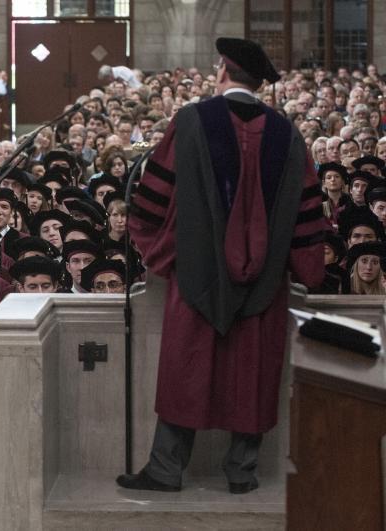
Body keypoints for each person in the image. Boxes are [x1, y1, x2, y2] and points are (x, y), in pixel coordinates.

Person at [118, 38, 326, 494]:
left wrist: (162, 253)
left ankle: (167, 469)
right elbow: (308, 215)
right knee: (252, 373)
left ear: (222, 71)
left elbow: (155, 199)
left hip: (196, 276)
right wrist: (304, 267)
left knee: (184, 369)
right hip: (265, 284)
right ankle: (241, 473)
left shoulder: (191, 121)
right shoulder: (287, 134)